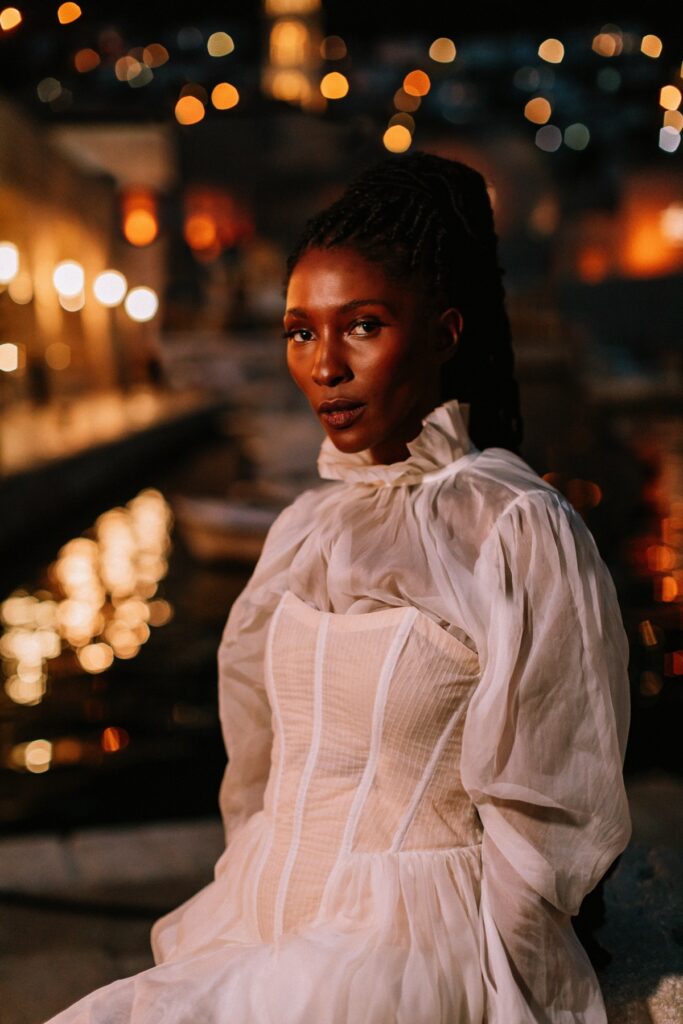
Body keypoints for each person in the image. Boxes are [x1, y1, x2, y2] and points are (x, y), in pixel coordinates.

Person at [44, 151, 631, 1023]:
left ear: (444, 332)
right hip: (257, 910)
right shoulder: (306, 527)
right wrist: (248, 898)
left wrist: (521, 981)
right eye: (299, 331)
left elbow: (555, 800)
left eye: (361, 325)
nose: (325, 366)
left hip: (407, 943)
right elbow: (256, 763)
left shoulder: (514, 526)